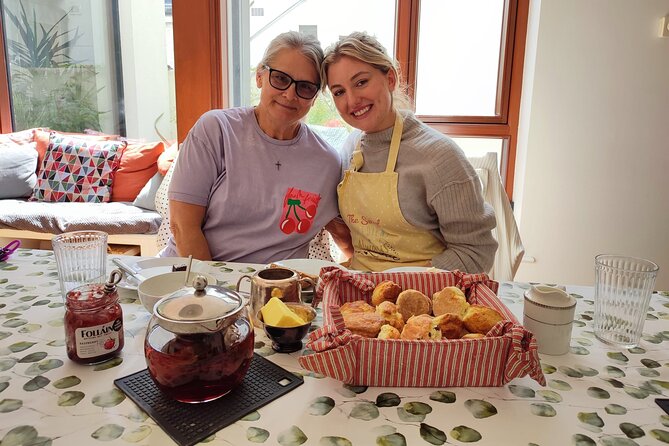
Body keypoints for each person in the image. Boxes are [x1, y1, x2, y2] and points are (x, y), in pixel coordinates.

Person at [161, 31, 352, 263]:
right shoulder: (217, 130)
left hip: (278, 289)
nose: (290, 94)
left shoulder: (327, 163)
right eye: (281, 79)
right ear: (260, 76)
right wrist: (214, 292)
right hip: (196, 277)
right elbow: (183, 226)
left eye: (305, 87)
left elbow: (343, 234)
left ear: (315, 96)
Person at [321, 31, 498, 273]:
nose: (352, 101)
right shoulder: (350, 148)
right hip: (360, 293)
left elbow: (476, 252)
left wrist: (405, 282)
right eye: (339, 92)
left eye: (361, 82)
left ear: (390, 79)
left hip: (422, 300)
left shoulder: (439, 156)